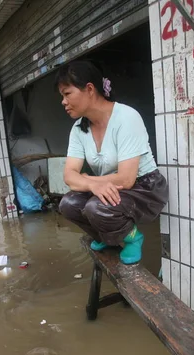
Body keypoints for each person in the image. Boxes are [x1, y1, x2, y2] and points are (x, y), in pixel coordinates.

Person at [57, 61, 168, 264]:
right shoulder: (78, 129)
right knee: (68, 204)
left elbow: (126, 179)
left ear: (89, 89)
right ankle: (105, 236)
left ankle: (133, 238)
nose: (63, 102)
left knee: (96, 207)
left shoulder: (126, 118)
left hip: (145, 187)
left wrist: (86, 178)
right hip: (109, 186)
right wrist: (91, 183)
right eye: (62, 96)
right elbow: (69, 176)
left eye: (67, 94)